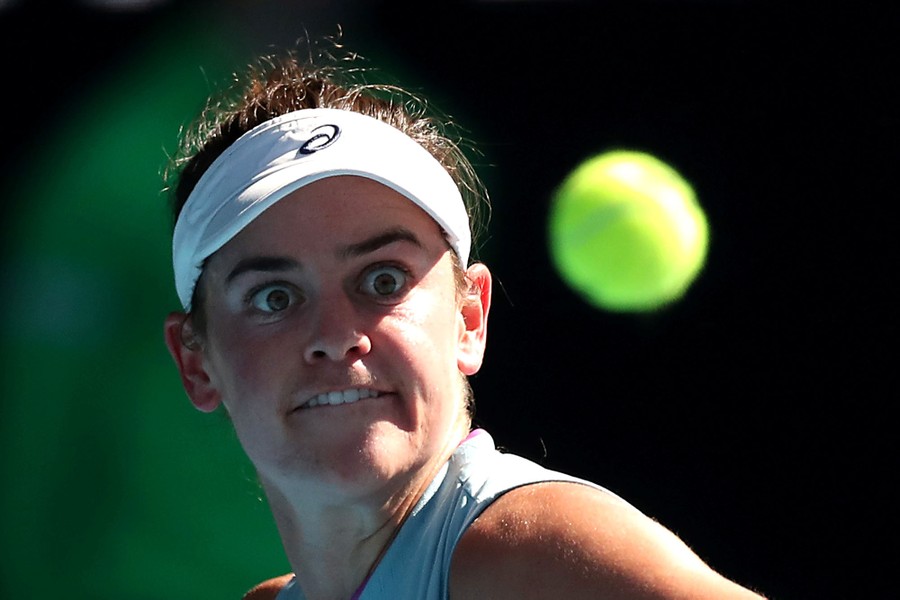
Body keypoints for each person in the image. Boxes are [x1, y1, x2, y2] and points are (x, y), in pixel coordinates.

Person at [162, 37, 766, 600]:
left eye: (383, 280)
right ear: (196, 362)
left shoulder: (529, 557)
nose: (337, 336)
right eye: (274, 297)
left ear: (469, 317)